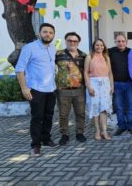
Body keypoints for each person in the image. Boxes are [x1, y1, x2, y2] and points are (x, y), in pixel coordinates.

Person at [15, 23, 57, 157]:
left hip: (51, 89)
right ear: (39, 33)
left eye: (50, 32)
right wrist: (24, 88)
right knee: (37, 118)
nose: (48, 34)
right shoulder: (29, 48)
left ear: (53, 35)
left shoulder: (53, 48)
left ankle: (46, 139)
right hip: (36, 89)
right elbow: (19, 69)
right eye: (45, 32)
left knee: (49, 116)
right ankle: (36, 145)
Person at [55, 32, 87, 145]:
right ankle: (64, 134)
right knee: (63, 114)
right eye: (69, 40)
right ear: (66, 41)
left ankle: (80, 132)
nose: (72, 43)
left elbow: (87, 71)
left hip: (79, 89)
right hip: (63, 90)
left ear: (78, 43)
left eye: (75, 41)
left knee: (81, 113)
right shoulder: (58, 55)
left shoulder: (83, 56)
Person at [84, 39, 114, 141]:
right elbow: (85, 72)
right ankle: (97, 130)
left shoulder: (106, 57)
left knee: (104, 108)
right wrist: (89, 86)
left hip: (105, 83)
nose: (99, 47)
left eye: (101, 45)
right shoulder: (89, 57)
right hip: (94, 83)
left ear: (104, 46)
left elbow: (110, 73)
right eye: (97, 45)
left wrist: (112, 85)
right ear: (94, 46)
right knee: (95, 107)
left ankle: (104, 131)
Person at [109, 34, 132, 136]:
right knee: (119, 107)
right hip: (116, 84)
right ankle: (121, 126)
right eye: (118, 41)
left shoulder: (131, 52)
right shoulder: (110, 52)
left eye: (123, 41)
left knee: (130, 106)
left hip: (129, 83)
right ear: (115, 42)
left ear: (126, 41)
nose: (121, 43)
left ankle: (131, 126)